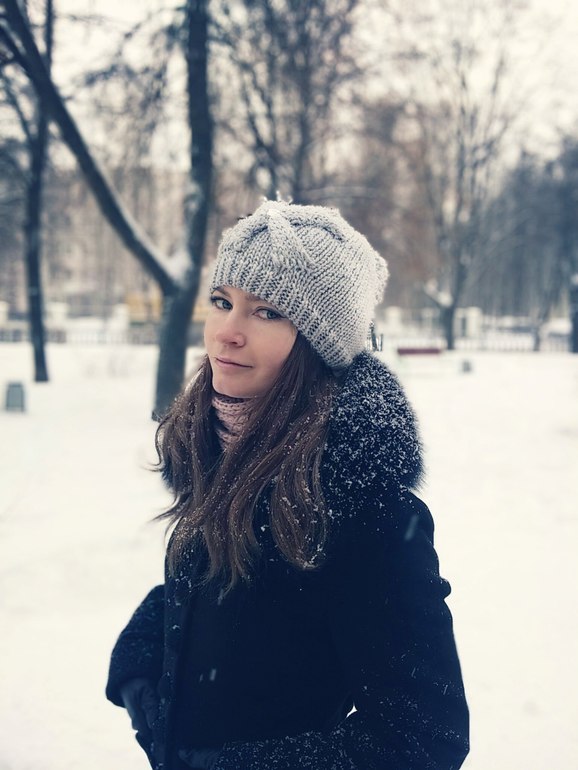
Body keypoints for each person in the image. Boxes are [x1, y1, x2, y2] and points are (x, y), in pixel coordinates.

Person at [106, 201, 469, 770]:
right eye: (222, 301)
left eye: (267, 312)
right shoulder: (222, 449)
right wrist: (142, 654)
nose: (228, 332)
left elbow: (422, 737)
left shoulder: (363, 508)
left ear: (318, 344)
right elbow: (225, 587)